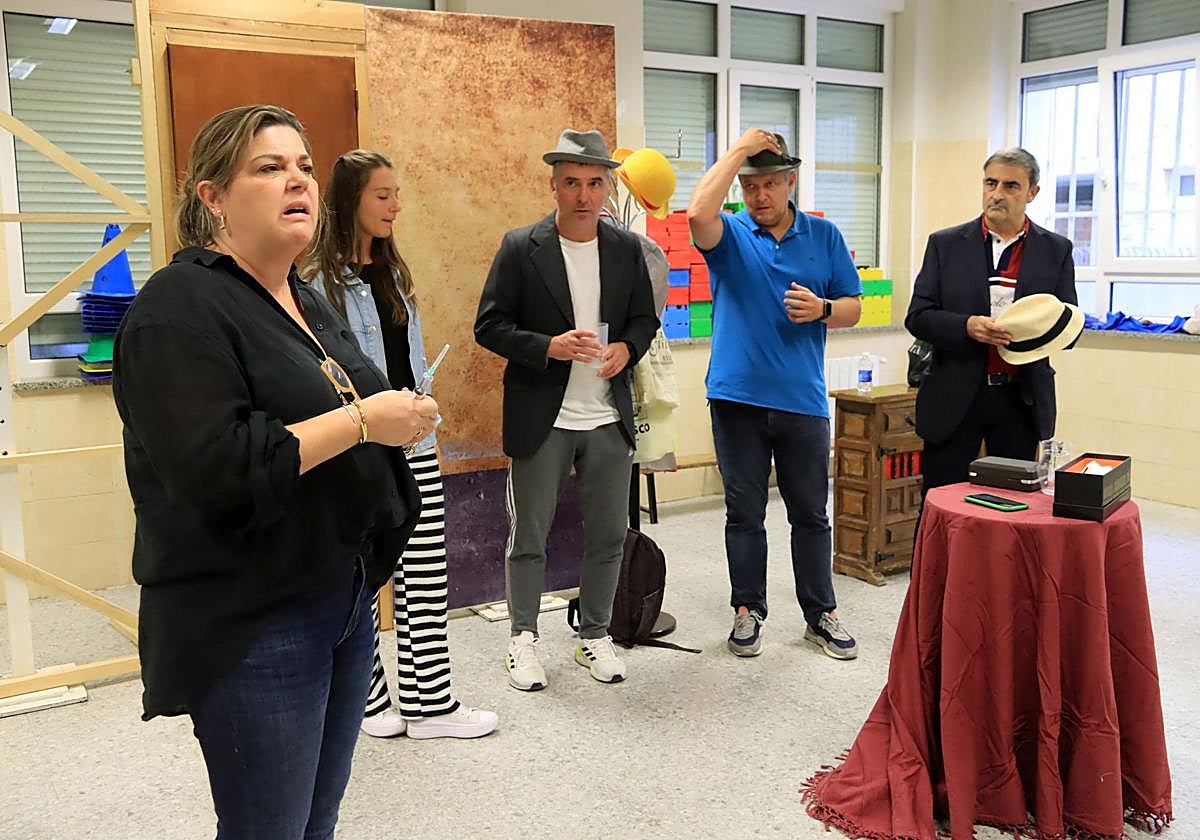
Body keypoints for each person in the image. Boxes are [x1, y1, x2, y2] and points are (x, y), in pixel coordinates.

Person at [112, 105, 436, 838]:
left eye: (305, 168)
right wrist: (365, 422)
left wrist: (401, 416)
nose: (298, 182)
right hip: (256, 614)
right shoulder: (178, 308)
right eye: (269, 168)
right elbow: (220, 467)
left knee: (316, 820)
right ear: (213, 197)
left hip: (340, 593)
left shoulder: (300, 296)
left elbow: (348, 399)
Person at [306, 149, 497, 740]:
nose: (395, 206)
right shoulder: (315, 285)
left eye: (397, 195)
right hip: (356, 449)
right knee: (361, 579)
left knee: (425, 579)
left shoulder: (395, 275)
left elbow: (410, 361)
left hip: (414, 445)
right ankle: (367, 703)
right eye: (382, 195)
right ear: (351, 200)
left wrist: (424, 414)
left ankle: (429, 703)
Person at [474, 129, 659, 690]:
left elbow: (644, 320)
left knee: (608, 537)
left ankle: (594, 636)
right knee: (529, 538)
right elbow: (489, 326)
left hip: (607, 417)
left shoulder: (626, 249)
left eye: (594, 183)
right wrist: (547, 347)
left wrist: (628, 347)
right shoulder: (520, 247)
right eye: (572, 182)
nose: (583, 195)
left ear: (607, 188)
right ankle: (522, 639)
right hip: (543, 418)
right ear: (553, 185)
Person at [687, 127, 862, 661]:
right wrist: (739, 150)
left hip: (801, 400)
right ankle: (748, 610)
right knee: (744, 513)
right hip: (736, 398)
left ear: (790, 182)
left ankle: (820, 614)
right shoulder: (730, 235)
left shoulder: (824, 237)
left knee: (810, 514)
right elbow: (697, 213)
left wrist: (823, 309)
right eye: (749, 185)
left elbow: (853, 307)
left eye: (769, 184)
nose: (759, 195)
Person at [905, 148, 1076, 494]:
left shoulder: (1056, 250)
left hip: (1020, 399)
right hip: (954, 396)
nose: (997, 194)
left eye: (1011, 186)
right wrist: (967, 326)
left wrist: (1031, 332)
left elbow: (1067, 325)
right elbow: (918, 317)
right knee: (942, 499)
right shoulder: (945, 244)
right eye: (990, 183)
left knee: (1012, 504)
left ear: (1032, 193)